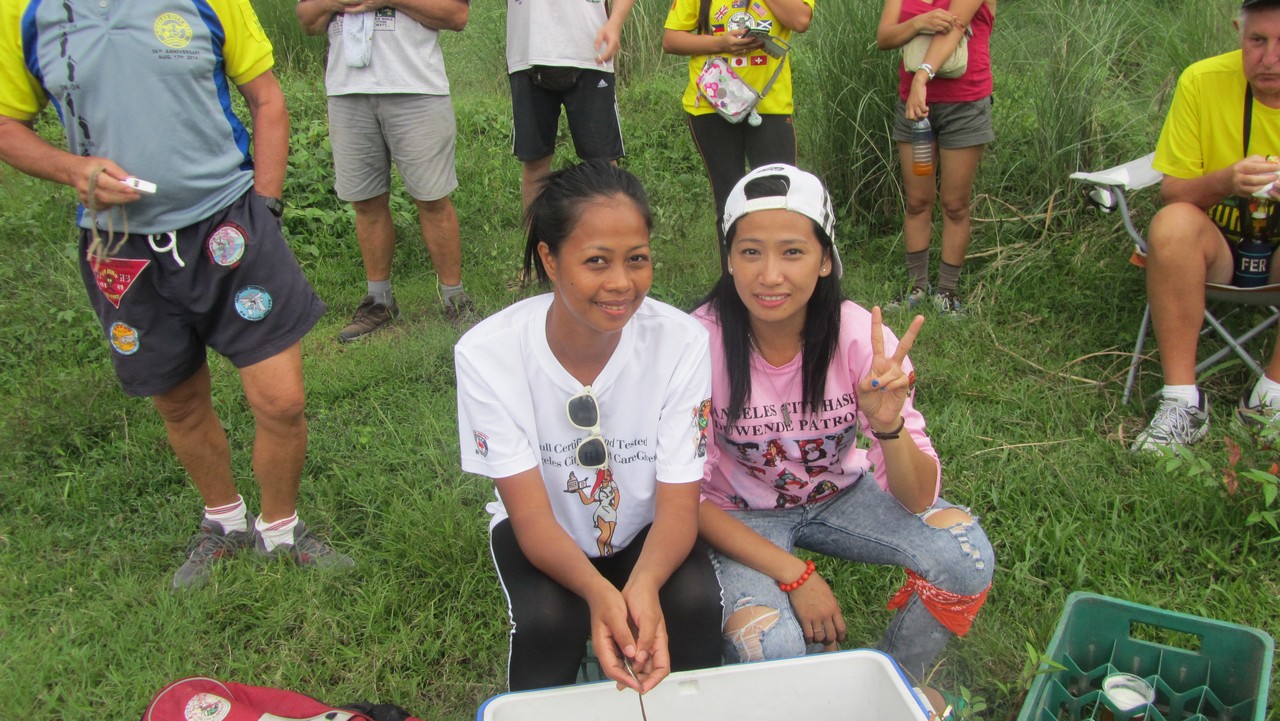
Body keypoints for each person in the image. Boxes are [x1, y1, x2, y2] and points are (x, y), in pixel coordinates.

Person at [0, 0, 351, 589]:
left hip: (229, 225)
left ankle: (282, 530)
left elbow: (266, 98)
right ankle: (224, 521)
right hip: (121, 247)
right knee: (180, 402)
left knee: (283, 400)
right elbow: (8, 125)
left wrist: (265, 206)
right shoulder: (22, 12)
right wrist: (71, 169)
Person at [691, 164, 993, 681]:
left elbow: (919, 499)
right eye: (750, 252)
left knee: (966, 557)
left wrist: (889, 427)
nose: (770, 275)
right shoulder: (699, 345)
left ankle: (896, 684)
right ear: (730, 260)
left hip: (840, 495)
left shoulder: (859, 338)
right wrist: (796, 575)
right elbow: (686, 500)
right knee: (771, 646)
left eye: (793, 252)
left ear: (825, 260)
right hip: (738, 513)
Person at [455, 162, 722, 692]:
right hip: (544, 532)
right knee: (549, 622)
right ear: (550, 259)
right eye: (596, 261)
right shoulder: (487, 355)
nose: (621, 283)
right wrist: (598, 593)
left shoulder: (681, 342)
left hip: (646, 527)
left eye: (637, 259)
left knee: (692, 605)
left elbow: (677, 505)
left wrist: (644, 584)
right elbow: (530, 515)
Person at [1131, 0, 1280, 452]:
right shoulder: (1202, 80)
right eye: (1258, 41)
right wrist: (1226, 181)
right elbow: (1173, 191)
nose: (1270, 59)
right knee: (1172, 223)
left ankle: (1270, 399)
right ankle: (1182, 403)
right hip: (1216, 249)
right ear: (1238, 32)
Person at [296, 0, 477, 340]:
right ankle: (380, 302)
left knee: (432, 198)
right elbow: (307, 19)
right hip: (346, 90)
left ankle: (455, 298)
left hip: (417, 87)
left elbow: (456, 15)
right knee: (365, 202)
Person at [662, 0, 813, 266]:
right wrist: (720, 43)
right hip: (712, 103)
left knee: (779, 198)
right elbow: (671, 39)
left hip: (769, 105)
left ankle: (780, 278)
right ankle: (733, 281)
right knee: (729, 199)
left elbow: (800, 20)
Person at [877, 0, 996, 316]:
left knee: (955, 204)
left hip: (964, 106)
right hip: (914, 110)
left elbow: (955, 27)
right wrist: (919, 22)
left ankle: (947, 290)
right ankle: (916, 287)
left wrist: (922, 76)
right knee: (917, 200)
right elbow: (885, 37)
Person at [505, 0, 637, 210]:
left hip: (590, 49)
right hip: (528, 50)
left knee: (603, 164)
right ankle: (535, 233)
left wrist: (615, 23)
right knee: (534, 163)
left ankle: (610, 231)